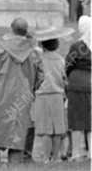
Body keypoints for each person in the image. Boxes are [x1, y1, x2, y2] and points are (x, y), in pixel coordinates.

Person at [0, 17, 43, 163]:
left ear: (11, 28)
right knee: (19, 125)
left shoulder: (0, 46)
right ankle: (15, 160)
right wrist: (32, 90)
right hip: (24, 93)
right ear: (25, 31)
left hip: (1, 90)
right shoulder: (34, 51)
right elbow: (41, 75)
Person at [32, 27, 71, 163]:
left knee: (46, 129)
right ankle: (56, 157)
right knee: (58, 129)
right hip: (58, 96)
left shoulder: (39, 59)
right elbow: (64, 78)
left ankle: (45, 157)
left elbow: (35, 77)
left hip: (42, 96)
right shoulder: (60, 60)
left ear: (42, 44)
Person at [65, 16, 91, 161]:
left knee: (76, 120)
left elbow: (68, 64)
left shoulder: (77, 46)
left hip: (77, 83)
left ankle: (76, 153)